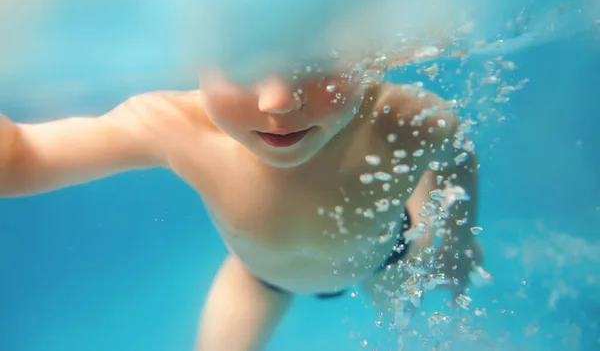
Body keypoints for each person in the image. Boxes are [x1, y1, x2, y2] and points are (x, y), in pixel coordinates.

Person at [0, 57, 481, 350]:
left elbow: (455, 154)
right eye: (243, 64)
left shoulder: (405, 118)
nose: (277, 102)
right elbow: (21, 161)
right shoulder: (172, 124)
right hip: (258, 279)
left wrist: (454, 238)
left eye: (314, 62)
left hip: (385, 259)